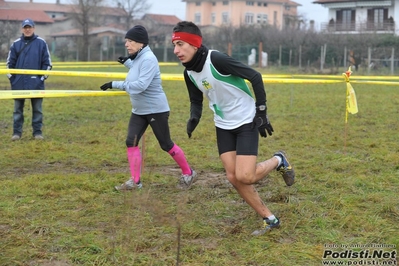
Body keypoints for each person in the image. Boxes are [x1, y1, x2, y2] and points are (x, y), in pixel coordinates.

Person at [171, 21, 295, 235]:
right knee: (233, 176)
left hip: (246, 120)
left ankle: (278, 160)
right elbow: (195, 100)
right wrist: (194, 118)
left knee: (245, 176)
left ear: (194, 44)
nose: (176, 51)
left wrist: (262, 112)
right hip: (223, 125)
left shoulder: (216, 60)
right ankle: (270, 218)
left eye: (180, 44)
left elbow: (255, 76)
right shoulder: (188, 72)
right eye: (174, 45)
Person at [100, 25, 196, 190]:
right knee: (131, 141)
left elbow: (140, 85)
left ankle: (189, 173)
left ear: (141, 43)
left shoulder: (149, 58)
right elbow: (138, 70)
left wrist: (113, 84)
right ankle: (135, 182)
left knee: (166, 144)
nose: (127, 44)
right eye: (126, 41)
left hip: (155, 110)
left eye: (130, 41)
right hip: (139, 110)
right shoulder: (138, 57)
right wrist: (128, 63)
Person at [6, 18, 52, 141]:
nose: (27, 29)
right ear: (22, 29)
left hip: (36, 84)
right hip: (18, 84)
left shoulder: (41, 43)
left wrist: (40, 79)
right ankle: (16, 133)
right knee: (17, 110)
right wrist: (13, 80)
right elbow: (9, 64)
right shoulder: (15, 44)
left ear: (33, 28)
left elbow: (47, 63)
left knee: (37, 110)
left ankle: (37, 133)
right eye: (25, 27)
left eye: (29, 27)